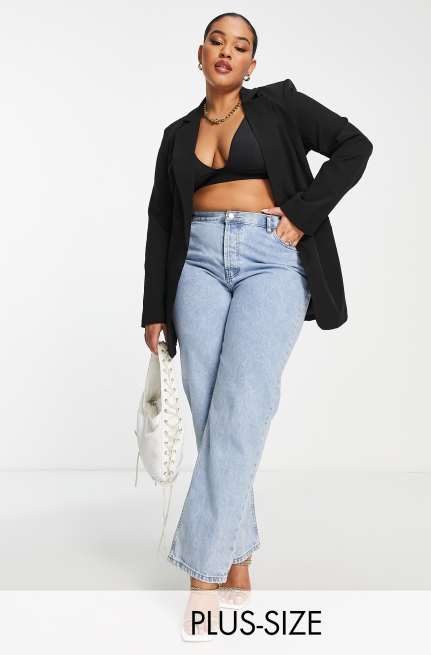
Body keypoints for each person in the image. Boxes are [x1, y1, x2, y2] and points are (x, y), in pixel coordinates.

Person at [141, 12, 373, 640]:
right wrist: (154, 308)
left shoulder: (280, 106)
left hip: (271, 259)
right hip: (196, 265)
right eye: (217, 41)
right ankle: (237, 557)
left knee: (243, 406)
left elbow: (354, 147)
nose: (227, 51)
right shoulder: (175, 135)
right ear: (200, 53)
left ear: (251, 64)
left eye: (241, 46)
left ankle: (202, 575)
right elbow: (162, 219)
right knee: (212, 411)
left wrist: (302, 213)